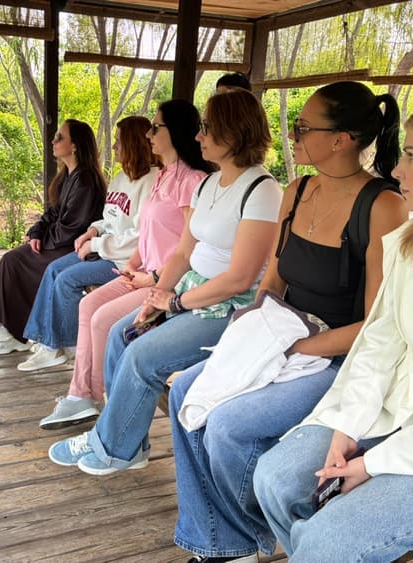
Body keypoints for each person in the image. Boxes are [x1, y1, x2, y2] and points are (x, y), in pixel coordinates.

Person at [167, 81, 408, 563]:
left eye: (302, 128)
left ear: (341, 140)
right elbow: (274, 276)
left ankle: (249, 533)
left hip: (336, 357)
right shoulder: (297, 190)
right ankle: (222, 540)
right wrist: (253, 327)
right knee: (183, 393)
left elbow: (376, 325)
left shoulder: (383, 206)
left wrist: (297, 349)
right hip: (281, 334)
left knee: (228, 425)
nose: (291, 136)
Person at [254, 88, 413, 562]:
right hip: (399, 407)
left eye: (412, 155)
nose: (397, 170)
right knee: (275, 479)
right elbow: (380, 341)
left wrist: (375, 462)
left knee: (331, 538)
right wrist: (348, 424)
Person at [48, 89, 283, 474]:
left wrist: (173, 303)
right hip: (190, 292)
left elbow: (239, 278)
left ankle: (112, 447)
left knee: (141, 356)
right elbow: (183, 253)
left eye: (208, 127)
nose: (199, 135)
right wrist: (156, 296)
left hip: (230, 308)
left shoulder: (262, 190)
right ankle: (126, 441)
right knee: (121, 334)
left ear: (234, 132)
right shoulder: (209, 184)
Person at [39, 100, 209, 429]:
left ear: (175, 132)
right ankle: (81, 395)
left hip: (169, 281)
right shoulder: (164, 176)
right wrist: (132, 265)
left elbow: (190, 249)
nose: (149, 134)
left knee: (105, 321)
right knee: (88, 305)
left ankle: (107, 410)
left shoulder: (192, 181)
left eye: (156, 127)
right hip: (142, 272)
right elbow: (146, 233)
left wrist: (153, 278)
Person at [18, 117, 158, 372]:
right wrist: (93, 230)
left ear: (133, 144)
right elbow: (109, 219)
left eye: (119, 141)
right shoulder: (120, 178)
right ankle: (47, 341)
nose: (114, 147)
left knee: (67, 280)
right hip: (105, 250)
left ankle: (63, 344)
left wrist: (95, 244)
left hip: (123, 261)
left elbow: (138, 238)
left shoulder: (151, 182)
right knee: (54, 269)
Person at [0, 119, 106, 354]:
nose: (53, 140)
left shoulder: (85, 180)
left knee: (18, 261)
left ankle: (8, 328)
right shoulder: (68, 176)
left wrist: (43, 241)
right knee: (11, 259)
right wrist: (36, 232)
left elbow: (72, 229)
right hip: (60, 241)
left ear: (75, 146)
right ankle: (9, 331)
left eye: (60, 137)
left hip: (75, 247)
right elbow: (52, 213)